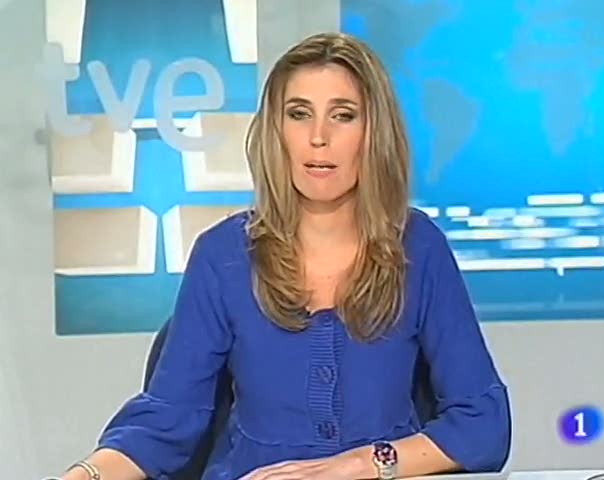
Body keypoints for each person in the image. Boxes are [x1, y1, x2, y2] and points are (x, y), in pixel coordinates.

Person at [62, 32, 511, 480]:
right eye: (299, 114)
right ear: (276, 131)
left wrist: (360, 464)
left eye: (343, 115)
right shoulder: (223, 256)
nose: (318, 137)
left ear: (374, 132)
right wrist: (85, 476)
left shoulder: (417, 247)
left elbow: (484, 423)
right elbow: (164, 422)